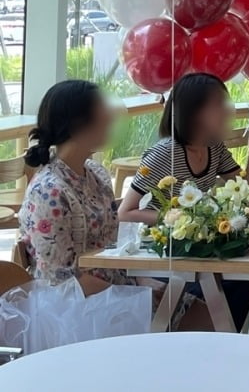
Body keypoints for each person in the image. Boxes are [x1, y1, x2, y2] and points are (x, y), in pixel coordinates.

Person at [19, 80, 208, 328]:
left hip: (114, 289)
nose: (110, 118)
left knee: (203, 313)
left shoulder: (96, 175)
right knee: (201, 319)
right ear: (78, 123)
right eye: (103, 111)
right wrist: (133, 293)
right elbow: (61, 280)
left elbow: (112, 248)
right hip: (76, 307)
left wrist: (140, 282)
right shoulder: (49, 192)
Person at [117, 72, 249, 330]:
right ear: (195, 112)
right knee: (226, 282)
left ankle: (227, 343)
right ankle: (212, 344)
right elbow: (125, 212)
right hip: (166, 256)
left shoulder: (212, 146)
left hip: (199, 250)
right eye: (218, 104)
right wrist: (177, 218)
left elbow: (245, 187)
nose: (227, 110)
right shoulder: (165, 152)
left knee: (242, 278)